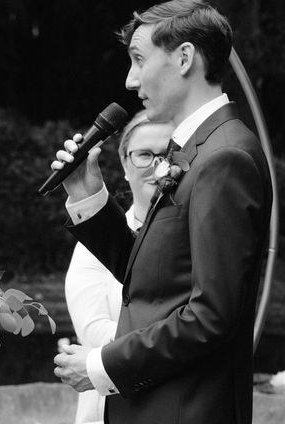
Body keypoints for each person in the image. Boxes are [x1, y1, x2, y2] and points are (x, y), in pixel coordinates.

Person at [53, 0, 272, 424]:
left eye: (138, 59)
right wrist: (88, 198)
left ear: (185, 57)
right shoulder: (197, 147)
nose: (131, 81)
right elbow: (158, 278)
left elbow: (211, 315)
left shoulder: (225, 157)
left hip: (186, 410)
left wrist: (102, 364)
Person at [65, 111, 174, 424]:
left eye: (166, 154)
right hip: (111, 410)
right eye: (143, 155)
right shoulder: (93, 245)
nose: (156, 165)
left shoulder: (198, 234)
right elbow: (94, 333)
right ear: (125, 165)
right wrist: (174, 337)